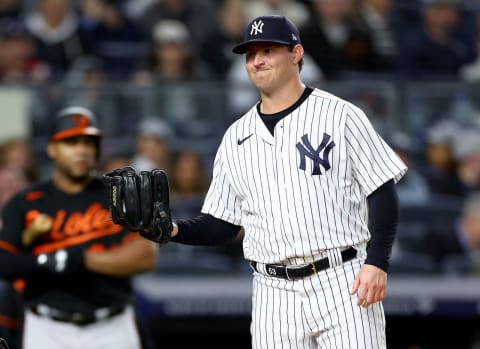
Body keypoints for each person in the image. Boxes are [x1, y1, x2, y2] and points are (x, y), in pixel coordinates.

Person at [127, 14, 407, 348]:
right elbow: (222, 224)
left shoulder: (340, 114)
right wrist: (172, 231)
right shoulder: (236, 136)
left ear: (296, 53)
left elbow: (382, 190)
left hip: (343, 278)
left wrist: (377, 262)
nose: (257, 60)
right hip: (273, 291)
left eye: (268, 50)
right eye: (250, 54)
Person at [0, 106, 158, 349]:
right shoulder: (26, 202)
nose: (82, 150)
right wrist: (45, 261)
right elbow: (4, 262)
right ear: (52, 149)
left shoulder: (119, 195)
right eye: (71, 142)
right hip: (47, 327)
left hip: (111, 325)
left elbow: (144, 257)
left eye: (89, 142)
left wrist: (80, 259)